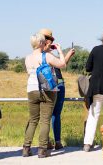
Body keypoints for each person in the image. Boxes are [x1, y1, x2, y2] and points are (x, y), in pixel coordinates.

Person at [23, 30, 66, 158]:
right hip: (47, 90)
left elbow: (29, 73)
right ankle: (42, 150)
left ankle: (26, 148)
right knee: (45, 120)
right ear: (42, 43)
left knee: (33, 120)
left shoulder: (27, 58)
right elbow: (62, 64)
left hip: (31, 89)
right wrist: (60, 51)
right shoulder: (47, 56)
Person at [42, 28, 75, 151]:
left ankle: (52, 141)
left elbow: (61, 65)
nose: (49, 42)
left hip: (53, 84)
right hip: (54, 85)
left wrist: (67, 56)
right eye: (48, 39)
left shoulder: (41, 52)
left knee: (51, 114)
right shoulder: (44, 53)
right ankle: (53, 141)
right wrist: (60, 52)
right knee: (51, 114)